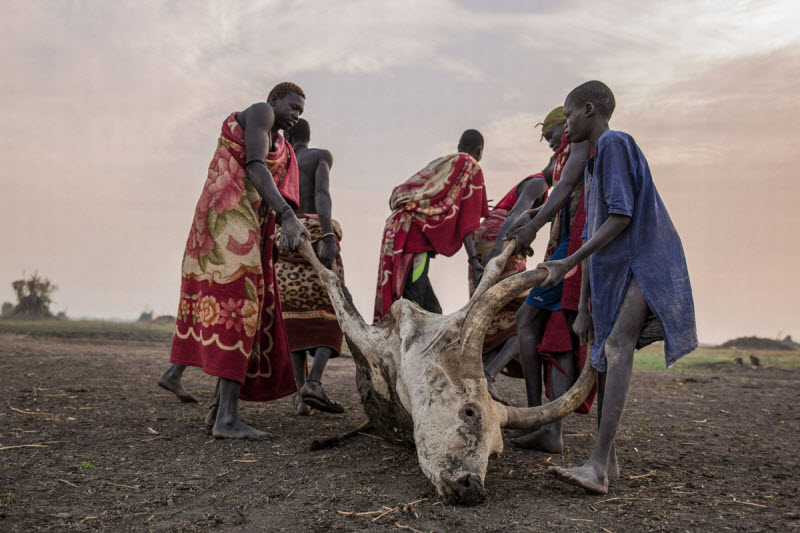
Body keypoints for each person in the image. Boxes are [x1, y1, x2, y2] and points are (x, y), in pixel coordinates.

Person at [526, 80, 697, 493]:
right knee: (602, 354)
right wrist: (583, 306)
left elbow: (620, 218)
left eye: (567, 116)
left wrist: (567, 261)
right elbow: (592, 233)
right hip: (612, 271)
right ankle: (610, 460)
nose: (564, 126)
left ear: (588, 110)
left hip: (644, 262)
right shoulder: (593, 163)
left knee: (617, 349)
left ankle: (598, 466)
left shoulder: (616, 144)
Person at [160, 82, 310, 439]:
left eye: (301, 112)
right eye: (293, 106)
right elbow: (255, 167)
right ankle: (227, 418)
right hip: (226, 219)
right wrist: (287, 216)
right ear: (275, 100)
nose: (296, 115)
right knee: (239, 308)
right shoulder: (261, 112)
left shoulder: (282, 144)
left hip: (245, 226)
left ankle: (217, 411)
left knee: (247, 310)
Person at [504, 106, 596, 452]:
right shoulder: (562, 155)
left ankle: (541, 421)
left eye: (551, 135)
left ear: (566, 124)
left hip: (573, 251)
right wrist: (525, 214)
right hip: (564, 249)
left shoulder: (581, 147)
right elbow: (546, 184)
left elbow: (565, 188)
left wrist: (533, 224)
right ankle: (544, 424)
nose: (550, 143)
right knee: (550, 329)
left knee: (533, 321)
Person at [374, 130, 490, 320]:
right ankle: (405, 347)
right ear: (479, 150)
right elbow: (468, 223)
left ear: (459, 146)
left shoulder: (441, 164)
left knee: (432, 310)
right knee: (414, 301)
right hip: (413, 239)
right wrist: (473, 260)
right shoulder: (470, 165)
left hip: (398, 229)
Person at [278, 118, 345, 416]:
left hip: (286, 239)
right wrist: (329, 235)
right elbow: (321, 195)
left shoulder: (279, 162)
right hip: (314, 236)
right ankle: (313, 382)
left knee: (294, 318)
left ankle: (299, 394)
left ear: (287, 136)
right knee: (329, 313)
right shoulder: (319, 156)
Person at [468, 162, 552, 404]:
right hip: (499, 237)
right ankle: (488, 375)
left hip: (489, 235)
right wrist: (499, 250)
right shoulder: (538, 183)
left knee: (492, 312)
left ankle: (479, 379)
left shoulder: (538, 185)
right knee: (525, 314)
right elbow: (515, 214)